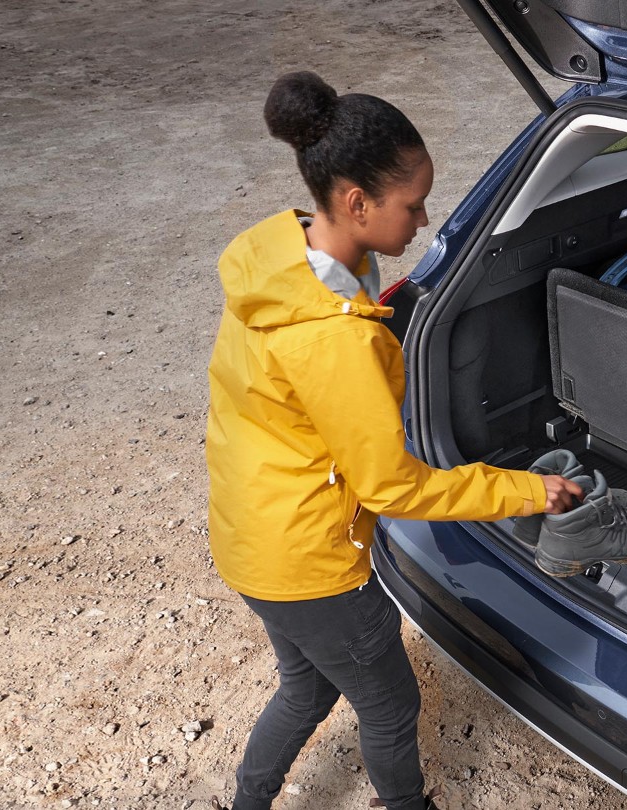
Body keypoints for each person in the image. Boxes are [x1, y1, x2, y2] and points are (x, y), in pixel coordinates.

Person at [204, 71, 585, 810]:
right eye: (411, 205)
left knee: (305, 686)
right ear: (356, 202)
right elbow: (393, 487)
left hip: (250, 534)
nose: (422, 218)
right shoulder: (332, 343)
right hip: (312, 563)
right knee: (387, 708)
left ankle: (248, 802)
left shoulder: (278, 259)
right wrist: (527, 489)